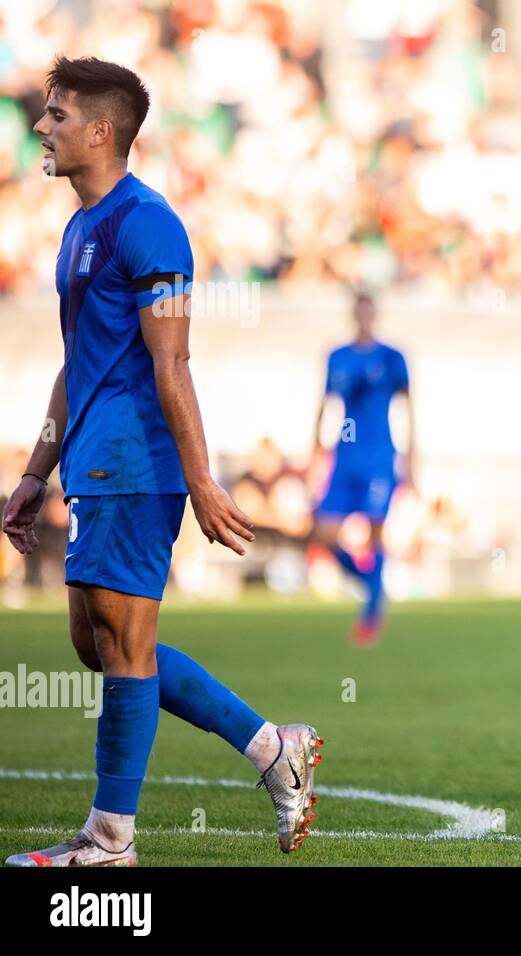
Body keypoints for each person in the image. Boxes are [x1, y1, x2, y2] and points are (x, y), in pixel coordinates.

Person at [2, 57, 321, 866]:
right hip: (92, 464)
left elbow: (172, 361)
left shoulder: (150, 225)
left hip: (136, 465)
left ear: (102, 131)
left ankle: (110, 841)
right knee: (100, 646)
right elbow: (77, 365)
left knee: (123, 648)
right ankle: (271, 748)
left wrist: (203, 478)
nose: (42, 127)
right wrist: (36, 473)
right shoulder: (80, 227)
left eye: (58, 115)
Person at [310, 289, 413, 645]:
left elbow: (409, 408)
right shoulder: (337, 357)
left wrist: (412, 457)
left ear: (375, 315)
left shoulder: (392, 357)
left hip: (379, 455)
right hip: (345, 454)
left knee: (375, 533)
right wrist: (315, 453)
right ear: (355, 314)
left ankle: (371, 615)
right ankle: (373, 586)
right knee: (323, 533)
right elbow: (324, 405)